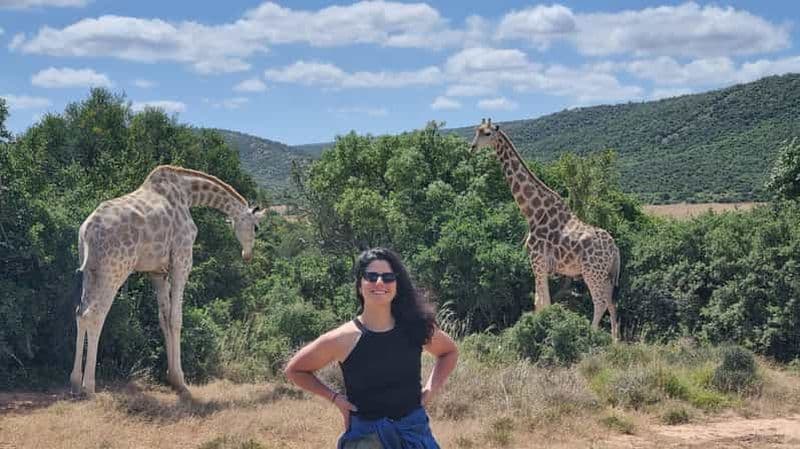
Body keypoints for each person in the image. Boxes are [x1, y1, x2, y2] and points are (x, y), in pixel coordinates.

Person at [284, 247, 459, 449]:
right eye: (371, 276)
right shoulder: (343, 338)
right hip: (366, 438)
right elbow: (295, 369)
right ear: (360, 285)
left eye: (387, 277)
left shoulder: (414, 327)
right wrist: (336, 399)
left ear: (397, 284)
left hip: (414, 433)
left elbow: (449, 352)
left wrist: (429, 391)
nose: (379, 282)